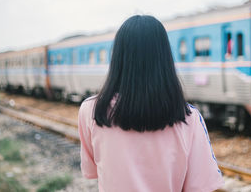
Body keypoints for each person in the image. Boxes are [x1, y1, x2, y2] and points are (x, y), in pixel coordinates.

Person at [78, 15, 224, 192]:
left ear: (117, 57)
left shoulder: (91, 111)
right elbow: (201, 186)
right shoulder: (189, 117)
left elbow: (92, 170)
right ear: (164, 57)